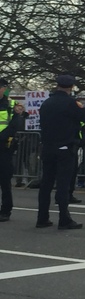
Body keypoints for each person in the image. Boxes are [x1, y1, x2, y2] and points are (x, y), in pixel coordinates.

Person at [36, 74, 85, 229]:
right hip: (65, 147)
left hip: (48, 147)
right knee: (63, 184)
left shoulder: (47, 103)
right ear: (71, 87)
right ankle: (64, 218)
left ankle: (42, 218)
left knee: (46, 183)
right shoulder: (71, 103)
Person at [0, 78, 18, 222]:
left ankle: (6, 210)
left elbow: (15, 125)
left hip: (4, 147)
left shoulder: (11, 104)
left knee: (5, 181)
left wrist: (3, 136)